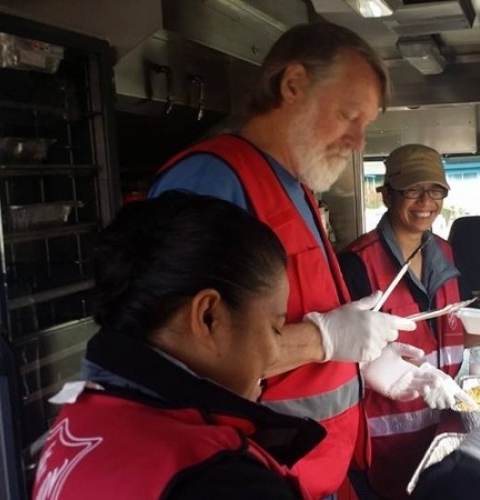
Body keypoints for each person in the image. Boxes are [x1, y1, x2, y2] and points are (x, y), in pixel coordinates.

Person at [31, 192, 480, 500]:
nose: (277, 351)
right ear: (208, 316)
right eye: (274, 325)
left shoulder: (87, 412)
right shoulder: (209, 479)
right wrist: (474, 475)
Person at [147, 23, 415, 498]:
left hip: (313, 475)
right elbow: (178, 359)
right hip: (249, 478)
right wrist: (325, 340)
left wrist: (360, 356)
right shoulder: (211, 181)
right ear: (292, 85)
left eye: (365, 125)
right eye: (348, 115)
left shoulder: (297, 186)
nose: (358, 141)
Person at [339, 144, 480, 499]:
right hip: (381, 448)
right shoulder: (356, 264)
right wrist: (405, 377)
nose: (425, 201)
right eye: (412, 189)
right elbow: (342, 357)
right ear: (386, 194)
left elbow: (452, 335)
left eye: (435, 190)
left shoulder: (444, 254)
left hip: (440, 436)